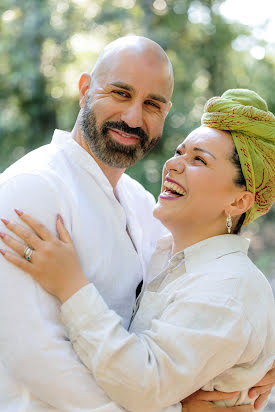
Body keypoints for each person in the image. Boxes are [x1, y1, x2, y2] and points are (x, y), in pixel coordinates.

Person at [0, 33, 273, 411]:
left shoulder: (144, 206)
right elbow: (34, 354)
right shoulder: (34, 188)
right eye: (120, 93)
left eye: (152, 104)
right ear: (84, 90)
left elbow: (224, 300)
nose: (132, 117)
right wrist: (175, 409)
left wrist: (259, 357)